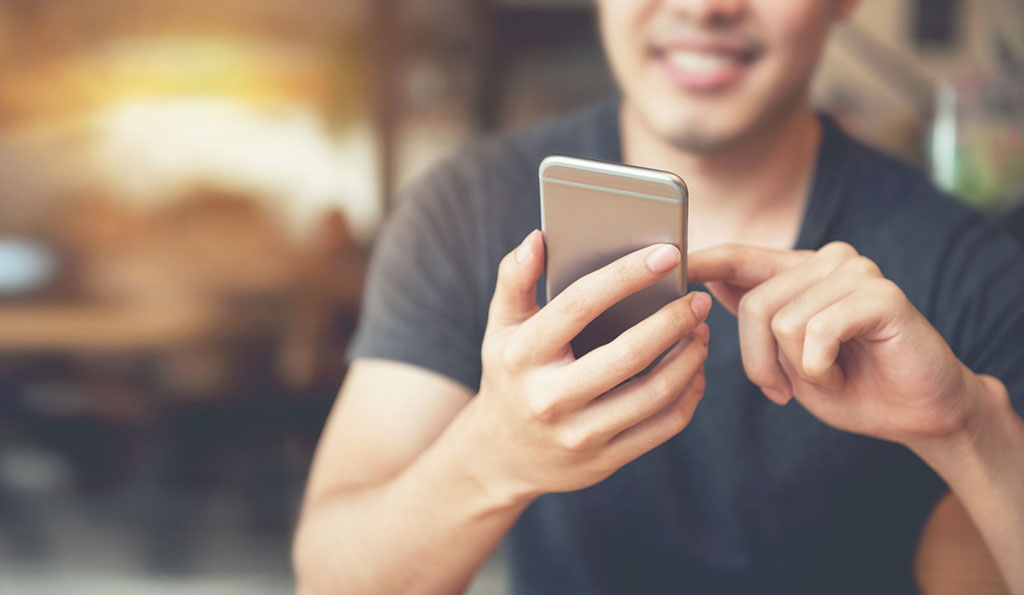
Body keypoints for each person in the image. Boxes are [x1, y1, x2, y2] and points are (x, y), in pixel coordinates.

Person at [293, 1, 1024, 593]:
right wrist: (491, 458)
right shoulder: (464, 209)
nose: (705, 7)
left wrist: (967, 425)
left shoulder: (967, 263)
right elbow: (330, 579)